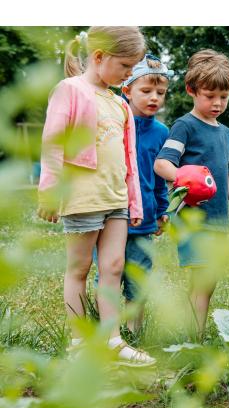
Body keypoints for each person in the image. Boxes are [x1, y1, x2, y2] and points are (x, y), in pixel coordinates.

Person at [37, 27, 155, 365]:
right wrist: (49, 192)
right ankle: (79, 344)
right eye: (125, 66)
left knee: (113, 267)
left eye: (133, 67)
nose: (129, 74)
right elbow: (53, 142)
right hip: (83, 198)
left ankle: (113, 340)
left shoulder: (120, 104)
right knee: (79, 268)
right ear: (99, 57)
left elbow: (129, 159)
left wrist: (134, 201)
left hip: (115, 199)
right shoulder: (70, 90)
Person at [154, 49, 229, 338]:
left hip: (218, 219)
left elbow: (227, 176)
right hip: (193, 219)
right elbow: (162, 164)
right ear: (191, 90)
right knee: (202, 278)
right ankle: (194, 337)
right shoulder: (185, 126)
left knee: (208, 281)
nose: (218, 103)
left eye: (224, 96)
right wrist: (186, 178)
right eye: (210, 96)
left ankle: (191, 331)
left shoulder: (226, 134)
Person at [117, 54, 172, 332]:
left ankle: (133, 332)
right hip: (111, 217)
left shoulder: (161, 132)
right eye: (146, 91)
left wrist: (163, 210)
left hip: (145, 220)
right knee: (109, 275)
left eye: (160, 93)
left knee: (138, 279)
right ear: (127, 90)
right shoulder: (113, 124)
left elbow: (160, 177)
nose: (154, 98)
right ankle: (106, 331)